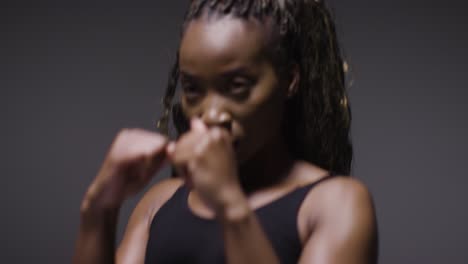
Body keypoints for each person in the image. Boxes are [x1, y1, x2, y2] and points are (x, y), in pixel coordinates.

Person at [73, 0, 378, 263]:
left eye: (236, 87)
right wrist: (98, 208)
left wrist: (230, 205)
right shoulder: (159, 203)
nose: (211, 114)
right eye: (193, 90)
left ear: (290, 80)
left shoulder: (335, 204)